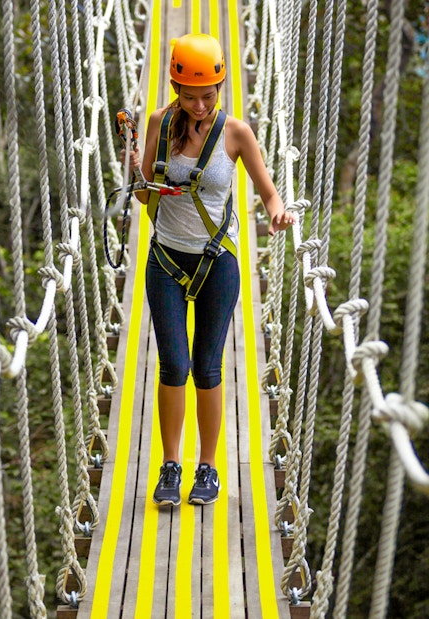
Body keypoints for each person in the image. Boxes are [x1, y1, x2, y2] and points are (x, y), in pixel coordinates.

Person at [122, 33, 295, 507]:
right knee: (173, 365)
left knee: (206, 367)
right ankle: (171, 465)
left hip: (218, 261)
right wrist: (134, 167)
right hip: (166, 259)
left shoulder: (236, 133)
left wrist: (278, 213)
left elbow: (268, 191)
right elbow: (145, 197)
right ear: (175, 86)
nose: (199, 106)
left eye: (209, 95)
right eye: (190, 96)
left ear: (221, 86)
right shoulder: (160, 121)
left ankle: (208, 468)